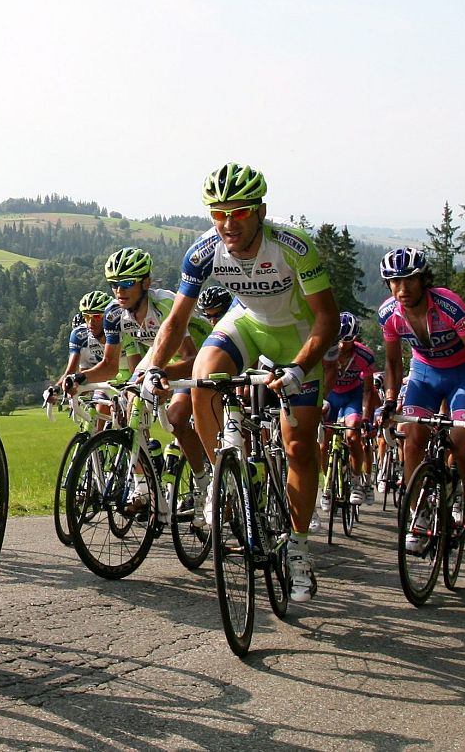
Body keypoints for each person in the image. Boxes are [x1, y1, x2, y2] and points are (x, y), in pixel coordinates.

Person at [143, 163, 338, 603]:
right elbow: (176, 319)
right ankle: (221, 479)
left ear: (261, 211)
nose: (228, 224)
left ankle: (299, 548)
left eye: (241, 212)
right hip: (247, 324)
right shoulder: (204, 250)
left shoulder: (292, 246)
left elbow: (326, 318)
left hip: (296, 335)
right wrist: (154, 366)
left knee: (299, 448)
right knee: (202, 378)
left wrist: (299, 368)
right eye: (219, 213)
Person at [65, 248, 212, 523]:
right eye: (114, 285)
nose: (119, 291)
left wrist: (162, 372)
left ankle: (205, 486)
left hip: (201, 358)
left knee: (178, 419)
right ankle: (145, 488)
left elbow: (191, 359)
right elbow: (111, 365)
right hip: (159, 360)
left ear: (146, 283)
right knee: (128, 410)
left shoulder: (165, 305)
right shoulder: (114, 314)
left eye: (127, 283)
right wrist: (80, 379)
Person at [377, 249, 465, 552]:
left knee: (460, 439)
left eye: (410, 281)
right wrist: (390, 400)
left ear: (423, 279)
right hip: (423, 375)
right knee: (413, 436)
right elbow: (392, 364)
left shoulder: (449, 306)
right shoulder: (389, 313)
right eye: (394, 282)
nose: (402, 289)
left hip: (460, 373)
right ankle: (420, 510)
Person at [317, 312, 379, 525]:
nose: (343, 346)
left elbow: (369, 391)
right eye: (341, 340)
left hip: (352, 396)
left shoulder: (365, 356)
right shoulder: (326, 349)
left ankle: (355, 481)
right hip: (331, 396)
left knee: (353, 435)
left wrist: (367, 417)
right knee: (324, 442)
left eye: (349, 340)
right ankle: (327, 485)